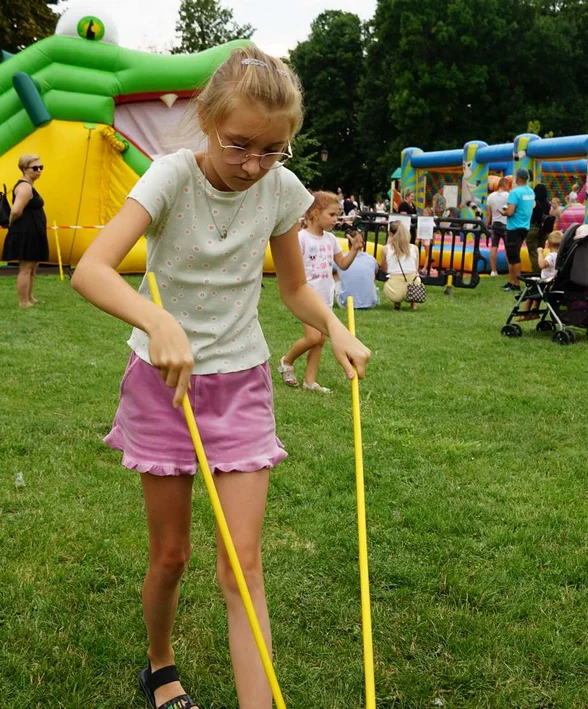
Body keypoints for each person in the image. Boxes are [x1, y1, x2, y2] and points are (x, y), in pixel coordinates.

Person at [71, 47, 371, 709]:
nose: (253, 165)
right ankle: (160, 663)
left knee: (243, 565)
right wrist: (155, 320)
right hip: (163, 386)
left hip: (240, 386)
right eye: (239, 145)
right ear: (207, 121)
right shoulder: (169, 178)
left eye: (273, 150)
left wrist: (336, 326)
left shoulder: (280, 191)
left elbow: (293, 287)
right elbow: (91, 269)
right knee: (171, 556)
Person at [279, 192, 362, 393]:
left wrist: (354, 250)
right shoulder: (301, 238)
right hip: (306, 299)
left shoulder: (331, 239)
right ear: (316, 213)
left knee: (321, 340)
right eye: (332, 214)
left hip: (325, 297)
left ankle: (310, 381)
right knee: (314, 338)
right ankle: (286, 361)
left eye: (337, 215)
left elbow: (341, 264)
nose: (336, 219)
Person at [2, 154, 49, 309]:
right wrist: (11, 223)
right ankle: (23, 301)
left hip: (34, 231)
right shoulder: (24, 187)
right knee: (25, 268)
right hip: (26, 232)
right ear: (24, 169)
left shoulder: (30, 185)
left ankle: (30, 297)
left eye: (41, 167)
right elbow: (16, 211)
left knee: (32, 267)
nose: (39, 171)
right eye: (35, 168)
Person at [501, 168, 535, 292]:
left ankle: (516, 284)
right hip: (524, 226)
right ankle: (510, 281)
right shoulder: (531, 192)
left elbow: (510, 212)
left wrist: (503, 212)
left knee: (514, 257)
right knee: (512, 255)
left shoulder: (515, 193)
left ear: (517, 178)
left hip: (513, 227)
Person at [378, 218, 424, 310]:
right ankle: (413, 303)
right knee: (414, 277)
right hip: (413, 288)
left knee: (392, 278)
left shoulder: (386, 249)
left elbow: (384, 269)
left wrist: (388, 241)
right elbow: (416, 270)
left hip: (394, 290)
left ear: (390, 234)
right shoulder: (414, 248)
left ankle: (397, 302)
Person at [518, 229, 564, 319]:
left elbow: (542, 265)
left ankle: (525, 314)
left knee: (530, 294)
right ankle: (535, 311)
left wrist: (539, 253)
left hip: (545, 282)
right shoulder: (561, 256)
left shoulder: (551, 256)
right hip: (553, 283)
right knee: (537, 294)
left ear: (548, 244)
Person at [335, 229, 379, 309]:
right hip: (370, 304)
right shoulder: (371, 259)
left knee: (334, 273)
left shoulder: (342, 258)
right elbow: (375, 273)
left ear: (348, 243)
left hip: (345, 304)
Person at [484, 176, 511, 277]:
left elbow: (488, 214)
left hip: (495, 224)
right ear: (505, 185)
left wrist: (486, 226)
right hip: (505, 224)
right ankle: (510, 269)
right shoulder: (508, 196)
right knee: (508, 248)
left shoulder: (490, 196)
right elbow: (510, 210)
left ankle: (493, 270)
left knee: (494, 247)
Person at [526, 178, 551, 274]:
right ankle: (542, 271)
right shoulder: (547, 204)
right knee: (540, 251)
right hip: (543, 229)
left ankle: (537, 272)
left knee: (533, 253)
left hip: (533, 228)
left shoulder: (534, 202)